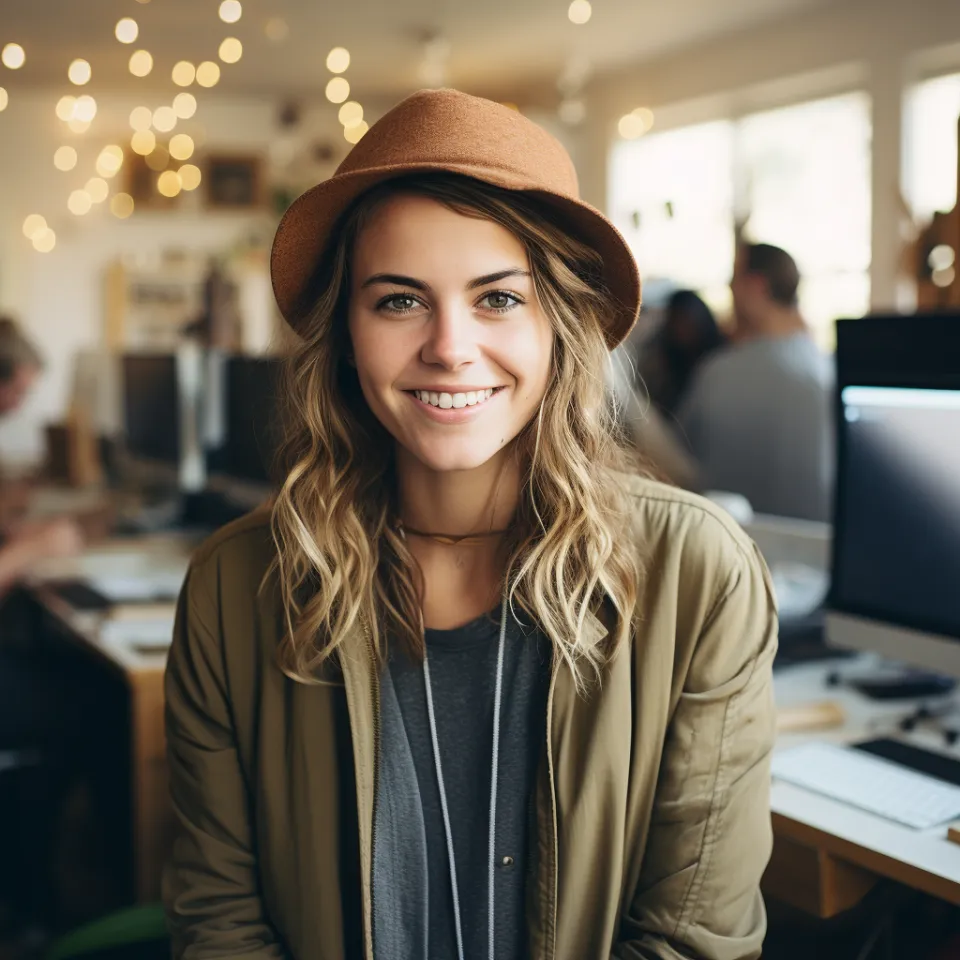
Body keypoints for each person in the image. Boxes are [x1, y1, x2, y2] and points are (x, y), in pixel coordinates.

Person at [164, 90, 778, 960]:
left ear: (560, 326)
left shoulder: (699, 571)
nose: (450, 346)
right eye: (399, 301)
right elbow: (220, 929)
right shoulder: (233, 589)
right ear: (344, 333)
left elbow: (695, 942)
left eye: (496, 299)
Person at [676, 243, 835, 521]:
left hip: (726, 548)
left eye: (734, 280)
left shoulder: (717, 374)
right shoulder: (829, 376)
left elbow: (679, 459)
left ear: (757, 286)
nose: (730, 290)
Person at [637, 289, 726, 417]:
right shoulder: (659, 358)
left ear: (701, 321)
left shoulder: (719, 358)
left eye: (686, 320)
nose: (681, 329)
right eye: (676, 320)